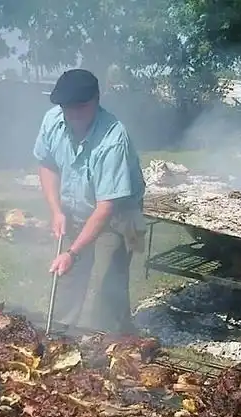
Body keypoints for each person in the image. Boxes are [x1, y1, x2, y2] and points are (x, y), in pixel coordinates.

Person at [33, 69, 146, 334]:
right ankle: (58, 336)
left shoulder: (114, 139)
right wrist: (56, 211)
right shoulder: (52, 120)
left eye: (80, 107)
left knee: (110, 281)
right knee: (67, 273)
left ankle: (114, 343)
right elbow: (46, 164)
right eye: (67, 108)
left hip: (121, 213)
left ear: (97, 99)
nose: (72, 115)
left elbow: (106, 207)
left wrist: (74, 252)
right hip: (78, 207)